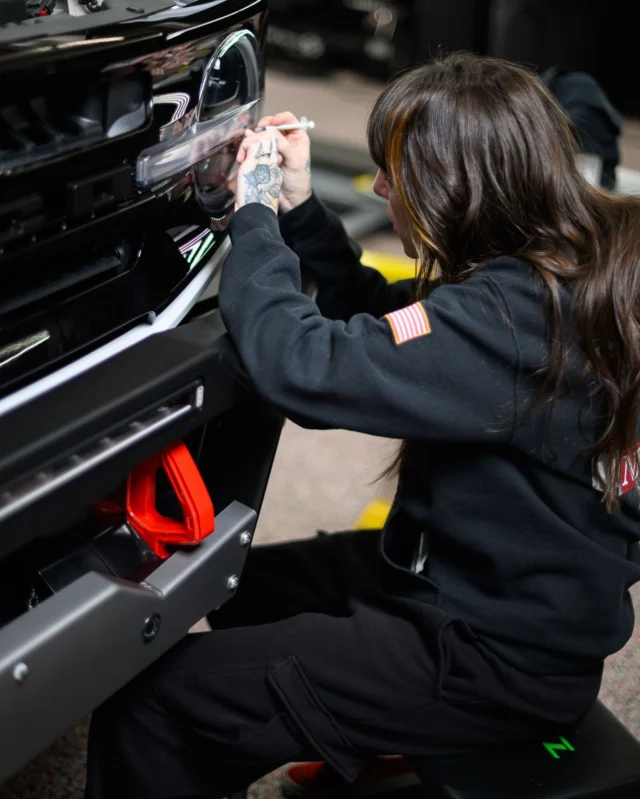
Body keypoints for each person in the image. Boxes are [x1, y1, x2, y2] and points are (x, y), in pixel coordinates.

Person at [85, 53, 640, 798]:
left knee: (154, 705)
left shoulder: (510, 319)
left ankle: (329, 722)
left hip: (490, 656)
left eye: (394, 172)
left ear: (457, 185)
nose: (381, 188)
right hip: (486, 585)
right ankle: (310, 732)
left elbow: (302, 364)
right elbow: (391, 319)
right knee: (233, 584)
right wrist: (303, 208)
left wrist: (255, 215)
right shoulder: (556, 271)